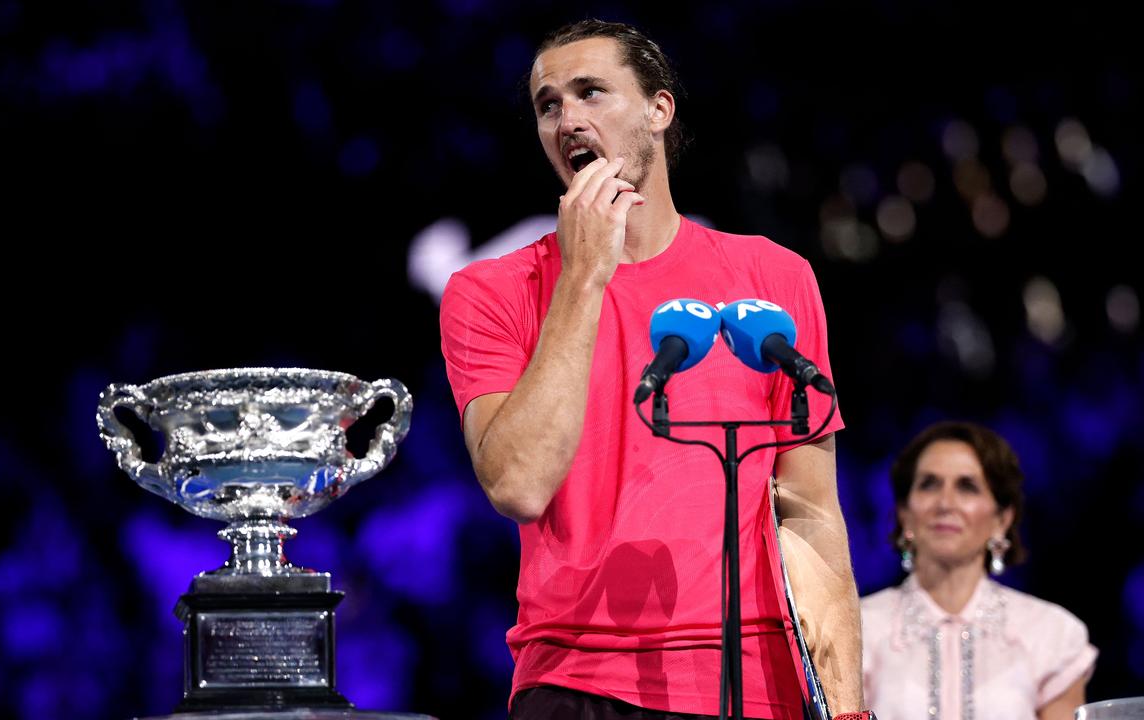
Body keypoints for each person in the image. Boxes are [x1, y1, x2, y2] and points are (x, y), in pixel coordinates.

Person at [440, 19, 870, 720]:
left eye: (591, 93)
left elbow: (811, 511)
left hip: (758, 679)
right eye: (549, 105)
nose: (568, 119)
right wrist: (583, 278)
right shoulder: (490, 292)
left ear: (658, 111)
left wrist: (848, 703)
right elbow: (519, 483)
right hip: (579, 683)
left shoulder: (772, 277)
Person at [861, 421, 1097, 720]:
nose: (945, 503)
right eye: (929, 484)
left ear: (1002, 519)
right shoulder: (859, 630)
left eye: (967, 487)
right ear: (904, 514)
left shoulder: (1051, 634)